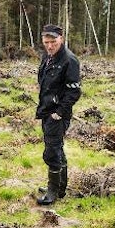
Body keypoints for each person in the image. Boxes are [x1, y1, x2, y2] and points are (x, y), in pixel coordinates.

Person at [34, 24, 81, 205]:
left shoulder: (70, 60)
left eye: (53, 41)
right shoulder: (48, 56)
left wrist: (59, 113)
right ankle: (60, 187)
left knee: (52, 151)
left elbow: (74, 92)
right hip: (47, 109)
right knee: (56, 147)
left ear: (61, 39)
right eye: (46, 42)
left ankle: (53, 191)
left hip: (57, 114)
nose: (50, 45)